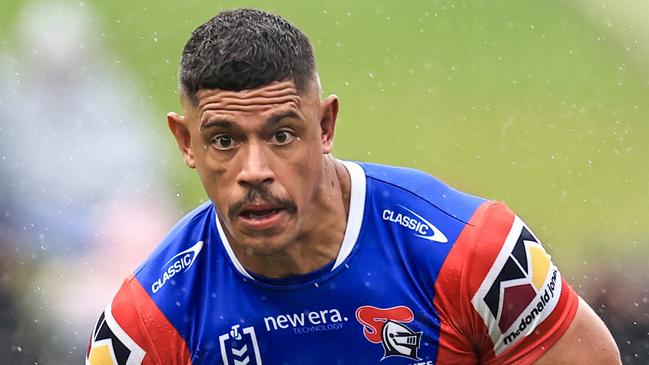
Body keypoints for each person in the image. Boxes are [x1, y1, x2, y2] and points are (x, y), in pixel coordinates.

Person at [85, 8, 620, 365]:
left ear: (325, 127)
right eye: (223, 140)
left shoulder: (473, 252)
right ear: (185, 142)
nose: (254, 170)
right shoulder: (146, 325)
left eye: (282, 134)